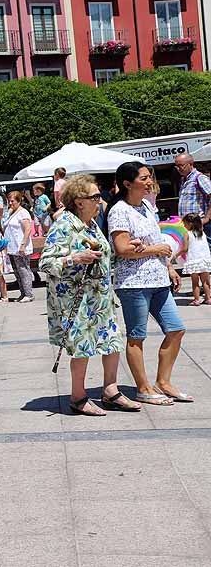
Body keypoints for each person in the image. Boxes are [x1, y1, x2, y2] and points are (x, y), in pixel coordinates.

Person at [40, 175, 141, 416]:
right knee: (82, 347)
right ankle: (78, 397)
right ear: (78, 201)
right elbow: (45, 263)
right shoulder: (64, 225)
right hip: (76, 300)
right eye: (95, 197)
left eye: (99, 195)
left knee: (111, 342)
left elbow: (103, 257)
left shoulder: (92, 224)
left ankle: (111, 390)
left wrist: (126, 249)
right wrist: (73, 258)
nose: (100, 201)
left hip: (100, 298)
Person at [105, 161, 191, 405]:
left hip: (158, 278)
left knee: (176, 329)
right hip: (134, 282)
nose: (148, 181)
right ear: (127, 184)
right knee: (137, 336)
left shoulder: (145, 205)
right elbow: (122, 248)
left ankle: (163, 382)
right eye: (143, 178)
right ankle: (143, 387)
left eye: (148, 177)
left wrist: (168, 267)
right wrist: (154, 249)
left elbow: (151, 241)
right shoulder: (119, 210)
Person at [4, 190, 35, 303]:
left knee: (23, 270)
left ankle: (28, 293)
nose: (10, 203)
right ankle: (23, 293)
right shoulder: (12, 212)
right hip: (12, 248)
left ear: (19, 201)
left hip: (20, 247)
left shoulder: (23, 213)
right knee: (17, 271)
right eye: (9, 201)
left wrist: (22, 244)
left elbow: (27, 229)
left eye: (12, 201)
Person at [174, 152, 211, 239]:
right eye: (176, 166)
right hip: (189, 226)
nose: (178, 169)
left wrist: (207, 218)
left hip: (201, 225)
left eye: (181, 165)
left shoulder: (199, 178)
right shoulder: (184, 180)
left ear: (190, 164)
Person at [180, 213, 211, 306]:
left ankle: (197, 300)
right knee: (206, 281)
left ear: (190, 224)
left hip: (194, 260)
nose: (184, 226)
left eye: (185, 224)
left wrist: (176, 255)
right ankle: (208, 298)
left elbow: (185, 249)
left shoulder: (187, 234)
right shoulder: (202, 233)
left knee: (195, 282)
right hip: (204, 260)